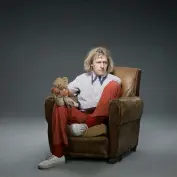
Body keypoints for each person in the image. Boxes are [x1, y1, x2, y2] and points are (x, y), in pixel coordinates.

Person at [38, 46, 122, 169]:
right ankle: (57, 155)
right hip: (82, 114)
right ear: (91, 64)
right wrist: (62, 94)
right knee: (59, 105)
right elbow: (66, 91)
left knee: (113, 86)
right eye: (98, 62)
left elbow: (111, 102)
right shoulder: (82, 78)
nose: (102, 66)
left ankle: (86, 125)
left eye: (105, 62)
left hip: (101, 116)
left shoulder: (114, 80)